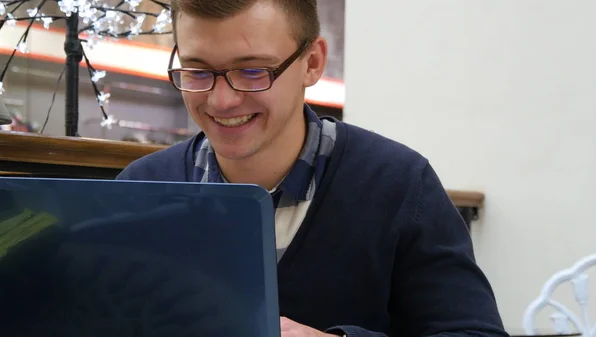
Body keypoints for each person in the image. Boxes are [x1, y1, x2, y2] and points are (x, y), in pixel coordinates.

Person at [116, 1, 509, 337]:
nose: (221, 101)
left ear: (312, 63)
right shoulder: (139, 189)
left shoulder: (399, 184)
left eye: (253, 71)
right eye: (198, 71)